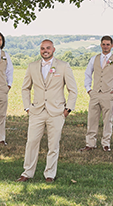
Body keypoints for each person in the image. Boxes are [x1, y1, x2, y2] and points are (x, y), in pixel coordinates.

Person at [16, 40, 78, 183]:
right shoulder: (32, 66)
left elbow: (72, 90)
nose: (45, 50)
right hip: (36, 111)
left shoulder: (63, 66)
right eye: (43, 48)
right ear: (40, 50)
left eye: (48, 48)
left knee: (53, 144)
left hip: (56, 112)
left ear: (53, 49)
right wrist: (27, 107)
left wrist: (67, 109)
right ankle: (27, 172)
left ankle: (50, 174)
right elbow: (25, 88)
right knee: (31, 142)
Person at [79, 35, 113, 152]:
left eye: (108, 44)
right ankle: (90, 144)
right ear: (101, 45)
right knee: (92, 119)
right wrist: (88, 89)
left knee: (107, 120)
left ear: (112, 45)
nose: (105, 47)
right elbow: (88, 74)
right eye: (103, 44)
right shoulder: (94, 59)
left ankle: (106, 144)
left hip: (108, 94)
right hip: (95, 93)